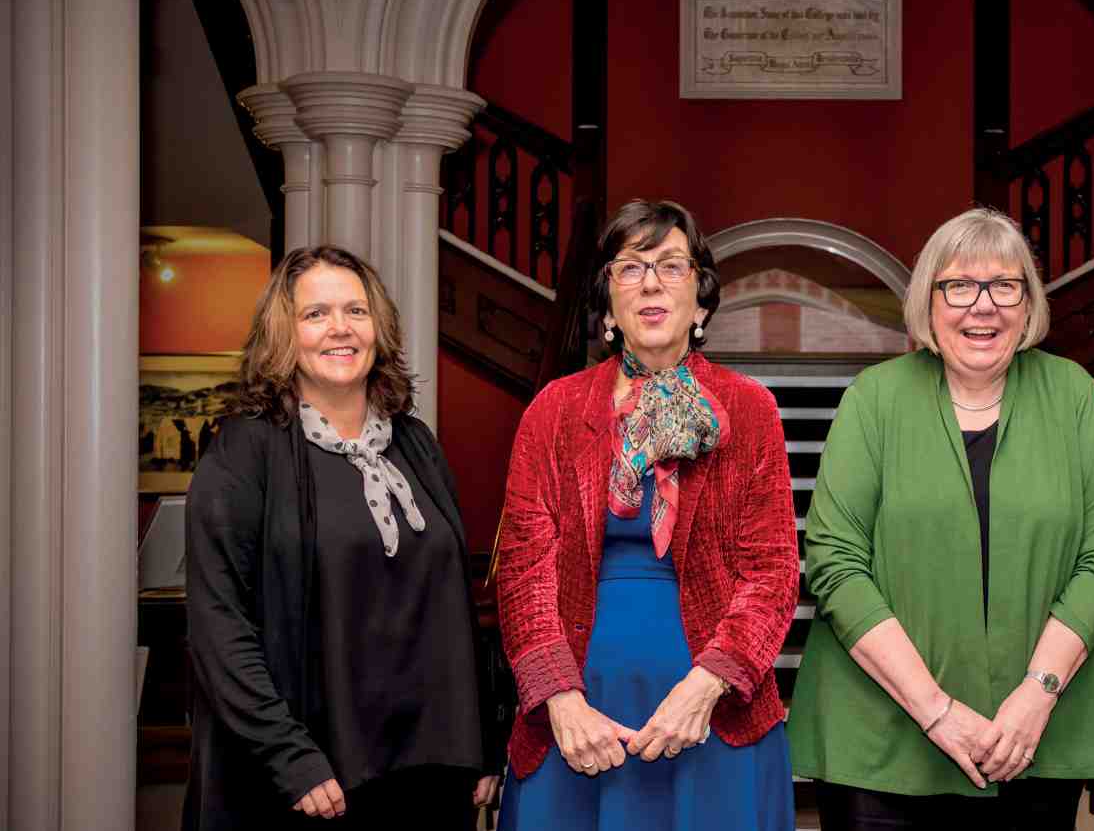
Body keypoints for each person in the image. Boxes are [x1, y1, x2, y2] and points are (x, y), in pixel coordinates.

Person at [787, 207, 1094, 828]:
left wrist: (1037, 694)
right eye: (959, 287)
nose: (983, 306)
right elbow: (836, 563)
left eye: (1005, 286)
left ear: (1027, 306)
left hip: (1033, 736)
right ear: (928, 301)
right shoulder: (875, 398)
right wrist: (937, 710)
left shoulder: (1074, 393)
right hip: (881, 739)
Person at [494, 199, 798, 831]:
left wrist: (706, 687)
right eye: (630, 268)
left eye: (670, 266)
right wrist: (559, 698)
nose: (651, 283)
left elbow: (772, 573)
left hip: (713, 720)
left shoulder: (750, 410)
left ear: (703, 300)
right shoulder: (554, 410)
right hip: (577, 722)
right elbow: (524, 571)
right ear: (608, 304)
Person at [184, 246, 501, 830]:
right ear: (284, 333)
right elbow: (217, 623)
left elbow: (451, 603)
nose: (340, 329)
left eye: (356, 311)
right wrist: (289, 757)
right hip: (314, 779)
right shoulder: (244, 451)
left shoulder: (415, 443)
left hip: (429, 773)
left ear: (378, 326)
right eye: (316, 314)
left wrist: (479, 736)